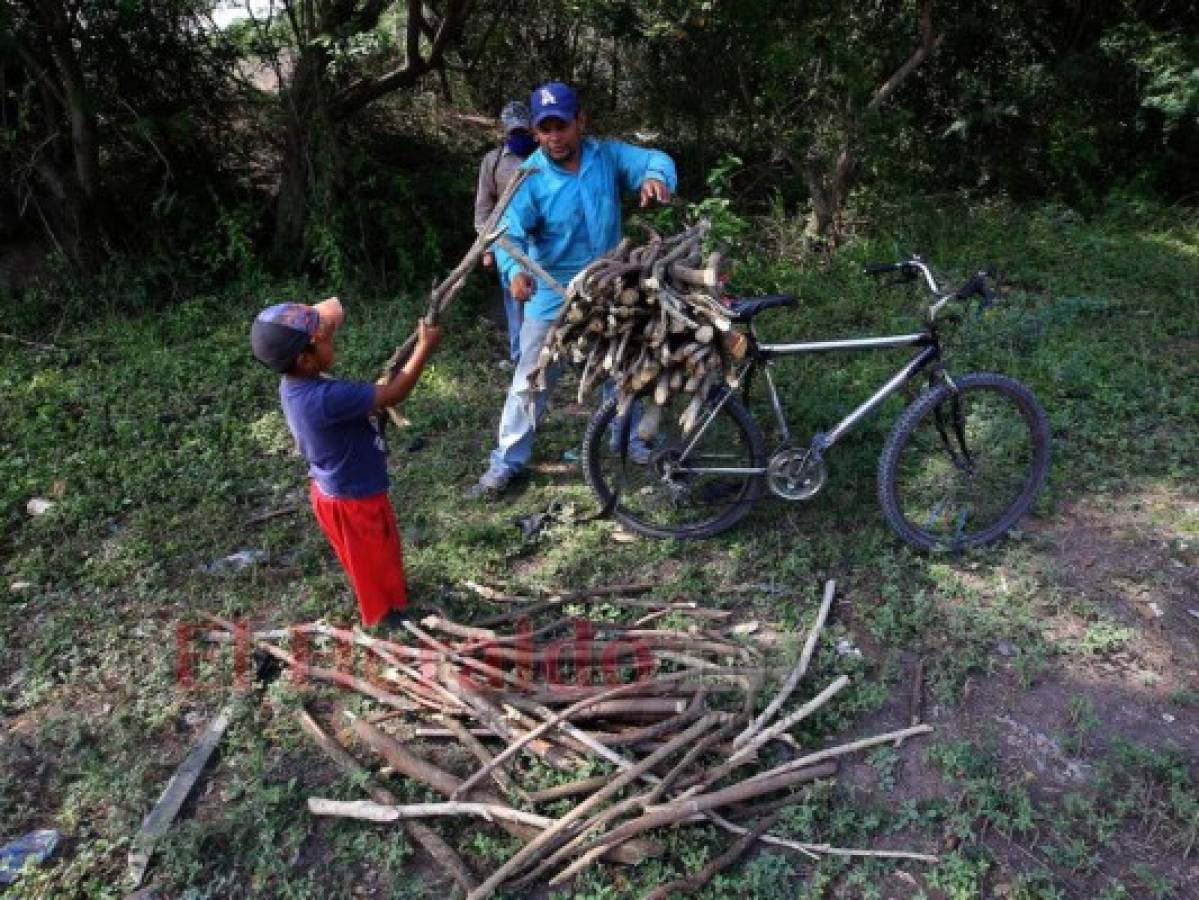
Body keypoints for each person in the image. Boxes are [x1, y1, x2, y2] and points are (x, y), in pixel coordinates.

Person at [468, 80, 676, 499]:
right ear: (535, 133)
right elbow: (508, 232)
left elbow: (656, 158)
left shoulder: (606, 157)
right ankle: (506, 463)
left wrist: (654, 176)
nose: (554, 137)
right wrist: (513, 270)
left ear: (580, 121)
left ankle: (626, 440)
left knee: (621, 369)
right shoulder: (530, 178)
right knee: (531, 378)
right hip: (550, 293)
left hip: (610, 287)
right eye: (544, 129)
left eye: (560, 126)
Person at [250, 298, 441, 628]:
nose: (330, 338)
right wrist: (424, 346)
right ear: (305, 359)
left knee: (379, 551)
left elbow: (330, 316)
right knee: (372, 562)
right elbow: (395, 394)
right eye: (324, 339)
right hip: (353, 500)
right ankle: (386, 619)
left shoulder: (296, 382)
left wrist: (317, 326)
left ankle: (394, 600)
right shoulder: (326, 398)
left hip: (340, 491)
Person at [475, 100, 537, 366]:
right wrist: (487, 248)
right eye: (514, 133)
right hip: (507, 243)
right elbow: (484, 208)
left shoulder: (544, 157)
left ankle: (548, 357)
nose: (518, 137)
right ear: (504, 131)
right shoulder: (493, 161)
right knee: (515, 303)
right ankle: (518, 359)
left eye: (523, 132)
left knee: (545, 300)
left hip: (542, 241)